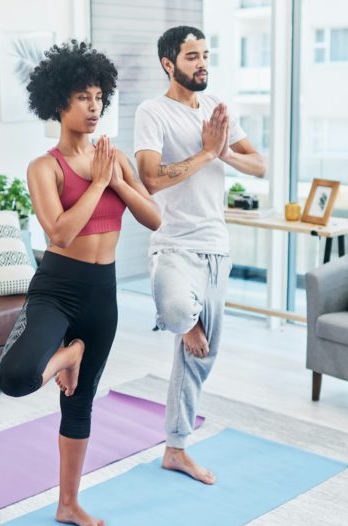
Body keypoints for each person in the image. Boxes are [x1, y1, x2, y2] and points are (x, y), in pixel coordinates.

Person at [0, 40, 160, 526]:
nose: (93, 108)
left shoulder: (116, 158)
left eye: (98, 97)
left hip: (101, 294)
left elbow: (153, 218)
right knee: (17, 377)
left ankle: (68, 502)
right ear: (57, 103)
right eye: (82, 98)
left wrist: (116, 181)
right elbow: (59, 232)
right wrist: (94, 184)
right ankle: (67, 355)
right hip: (57, 289)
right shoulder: (44, 167)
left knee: (80, 402)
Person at [134, 26, 267, 485]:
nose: (202, 63)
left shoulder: (216, 110)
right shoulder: (153, 112)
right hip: (173, 243)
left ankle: (177, 448)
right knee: (175, 311)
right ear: (169, 64)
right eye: (192, 56)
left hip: (216, 249)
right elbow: (149, 179)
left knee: (200, 359)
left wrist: (222, 150)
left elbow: (260, 164)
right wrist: (207, 152)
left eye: (205, 55)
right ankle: (187, 323)